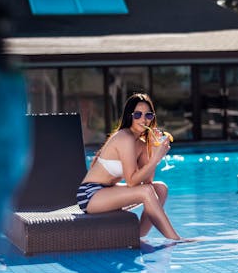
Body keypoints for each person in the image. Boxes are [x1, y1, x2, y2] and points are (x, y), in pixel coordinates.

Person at [77, 93, 184, 241]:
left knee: (160, 188)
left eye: (148, 115)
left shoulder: (140, 143)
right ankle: (176, 239)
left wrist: (152, 148)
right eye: (138, 114)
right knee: (147, 191)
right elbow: (132, 182)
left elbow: (148, 181)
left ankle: (138, 235)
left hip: (108, 191)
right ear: (130, 116)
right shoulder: (124, 137)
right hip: (90, 195)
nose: (143, 119)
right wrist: (156, 159)